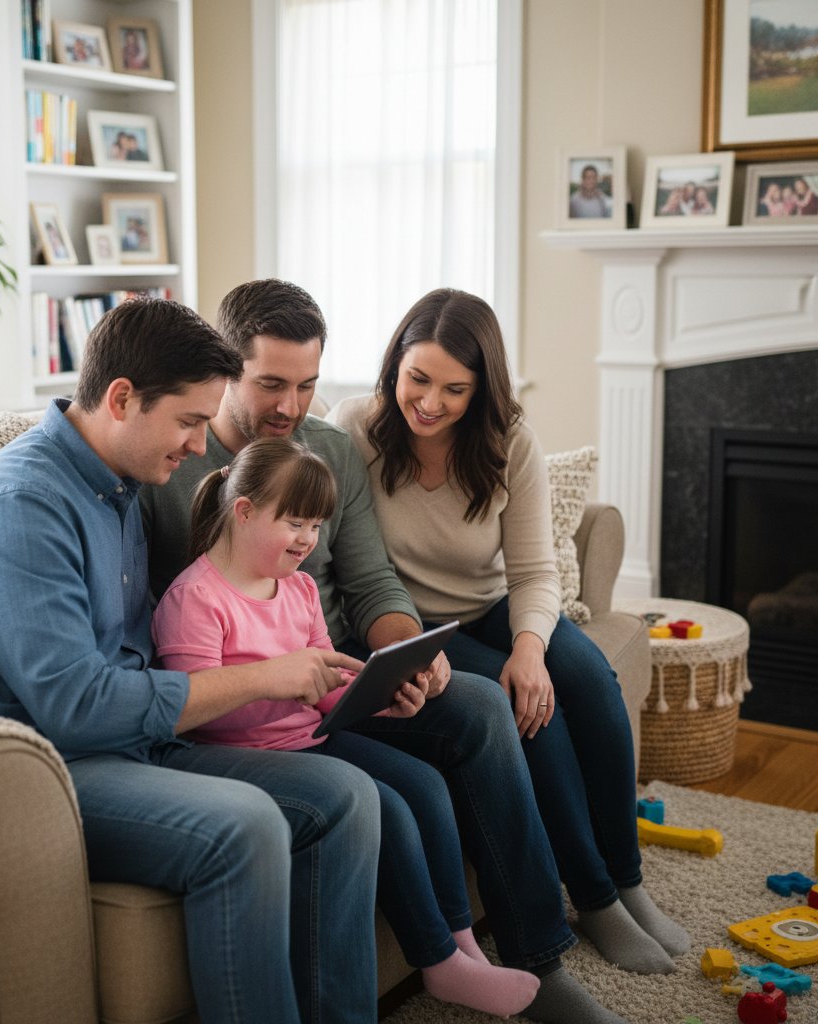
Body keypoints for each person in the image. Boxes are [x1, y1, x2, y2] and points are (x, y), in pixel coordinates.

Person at [140, 278, 655, 1024]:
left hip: (334, 666)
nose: (291, 407)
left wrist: (406, 652)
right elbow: (171, 630)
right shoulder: (172, 461)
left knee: (489, 699)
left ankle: (542, 952)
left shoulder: (326, 446)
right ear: (226, 370)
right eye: (270, 385)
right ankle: (487, 953)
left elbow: (372, 579)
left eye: (308, 384)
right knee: (469, 718)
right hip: (250, 704)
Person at [0, 297, 382, 1024]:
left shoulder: (119, 483)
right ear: (121, 398)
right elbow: (76, 706)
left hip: (138, 743)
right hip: (52, 769)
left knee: (346, 796)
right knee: (246, 826)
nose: (201, 446)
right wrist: (266, 675)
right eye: (190, 421)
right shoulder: (19, 506)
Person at [327, 286, 692, 998]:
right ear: (393, 366)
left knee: (585, 680)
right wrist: (513, 671)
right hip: (410, 624)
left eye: (454, 389)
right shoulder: (356, 429)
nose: (430, 403)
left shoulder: (509, 441)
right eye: (417, 379)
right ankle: (591, 899)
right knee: (527, 712)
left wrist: (530, 647)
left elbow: (533, 570)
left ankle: (626, 879)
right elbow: (347, 563)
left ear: (482, 386)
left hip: (490, 605)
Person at [154, 436, 541, 1019]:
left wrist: (386, 699)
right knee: (385, 805)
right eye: (295, 523)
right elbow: (192, 707)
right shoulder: (196, 599)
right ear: (244, 511)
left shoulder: (301, 588)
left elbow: (329, 678)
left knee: (426, 786)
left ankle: (463, 948)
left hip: (312, 737)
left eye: (316, 525)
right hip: (247, 757)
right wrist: (277, 680)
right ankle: (438, 961)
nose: (308, 540)